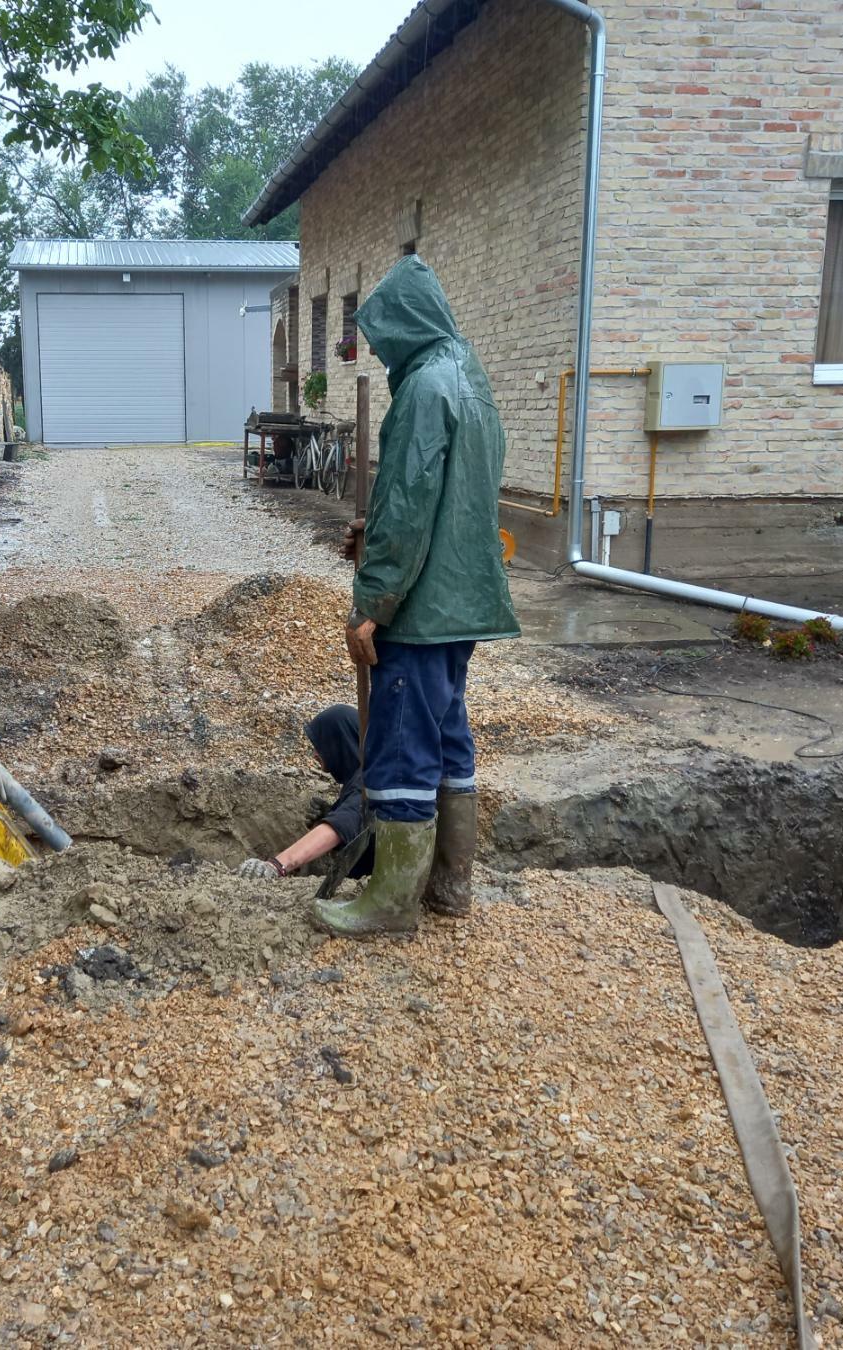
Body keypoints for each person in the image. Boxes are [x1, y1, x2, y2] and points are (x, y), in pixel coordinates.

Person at [315, 255, 519, 938]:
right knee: (448, 740)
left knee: (402, 747)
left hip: (421, 611)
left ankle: (389, 905)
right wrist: (380, 532)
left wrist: (374, 603)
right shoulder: (471, 381)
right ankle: (449, 887)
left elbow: (406, 508)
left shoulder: (424, 390)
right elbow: (452, 498)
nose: (375, 349)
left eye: (380, 337)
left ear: (407, 325)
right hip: (462, 603)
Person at [236, 705, 372, 882]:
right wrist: (332, 811)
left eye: (321, 746)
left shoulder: (368, 781)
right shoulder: (362, 777)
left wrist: (278, 865)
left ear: (341, 742)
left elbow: (345, 823)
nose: (315, 754)